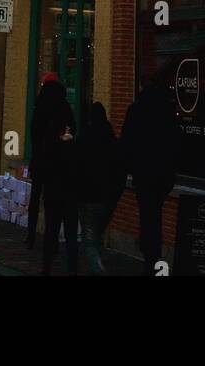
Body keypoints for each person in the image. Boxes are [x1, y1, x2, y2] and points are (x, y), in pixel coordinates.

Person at [121, 75, 179, 275]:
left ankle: (150, 259)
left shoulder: (136, 110)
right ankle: (154, 257)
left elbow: (126, 142)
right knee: (155, 216)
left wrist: (129, 168)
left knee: (148, 216)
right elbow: (176, 142)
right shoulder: (167, 111)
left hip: (144, 174)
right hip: (164, 175)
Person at [31, 77, 78, 275]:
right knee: (69, 228)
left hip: (47, 171)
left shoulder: (40, 109)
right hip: (67, 177)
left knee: (49, 219)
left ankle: (44, 262)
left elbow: (34, 136)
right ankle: (71, 267)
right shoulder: (65, 110)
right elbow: (72, 133)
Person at [76, 102, 127, 275]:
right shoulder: (112, 140)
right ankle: (96, 266)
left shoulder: (83, 139)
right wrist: (116, 195)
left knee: (89, 239)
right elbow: (121, 171)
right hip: (107, 200)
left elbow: (76, 168)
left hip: (87, 198)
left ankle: (97, 270)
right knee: (97, 235)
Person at [26, 73, 59, 248]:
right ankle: (51, 238)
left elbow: (33, 132)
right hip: (56, 161)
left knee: (35, 197)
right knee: (51, 200)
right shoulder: (62, 105)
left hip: (40, 159)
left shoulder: (39, 106)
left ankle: (31, 234)